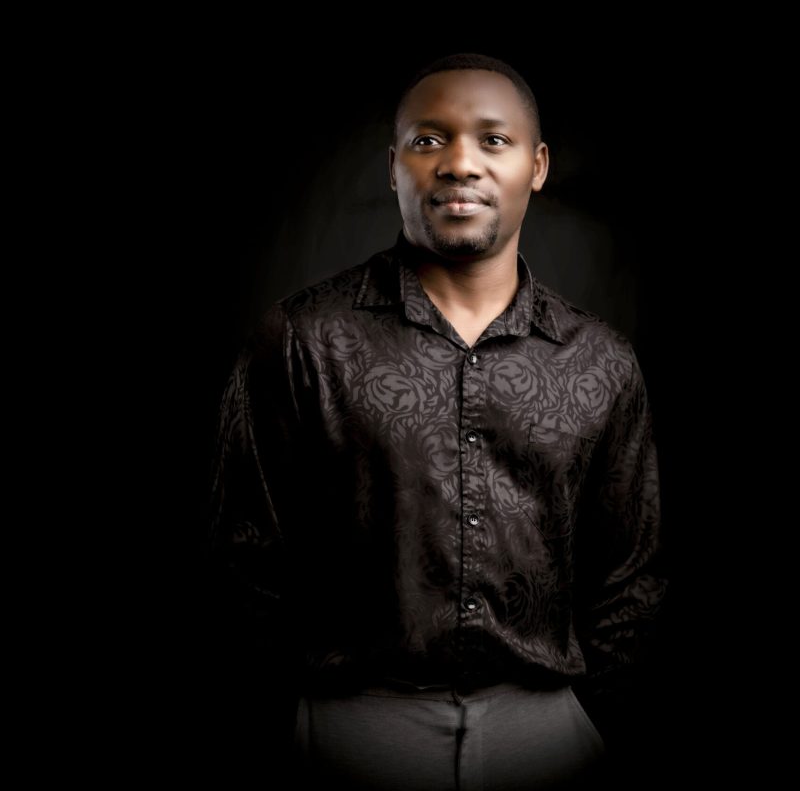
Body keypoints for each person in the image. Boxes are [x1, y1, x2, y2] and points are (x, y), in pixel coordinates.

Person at [209, 53, 667, 789]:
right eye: (430, 140)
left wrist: (589, 717)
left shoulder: (601, 361)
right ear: (393, 167)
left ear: (537, 165)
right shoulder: (302, 340)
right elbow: (243, 557)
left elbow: (632, 574)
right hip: (348, 731)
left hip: (549, 734)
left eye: (493, 139)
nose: (460, 163)